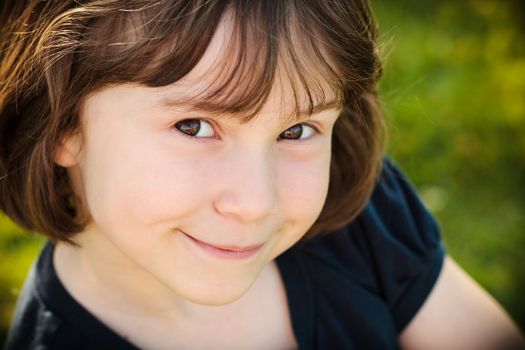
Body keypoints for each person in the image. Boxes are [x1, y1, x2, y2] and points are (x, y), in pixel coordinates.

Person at [1, 1, 523, 349]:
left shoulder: (362, 217)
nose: (257, 203)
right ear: (62, 122)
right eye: (194, 125)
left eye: (297, 131)